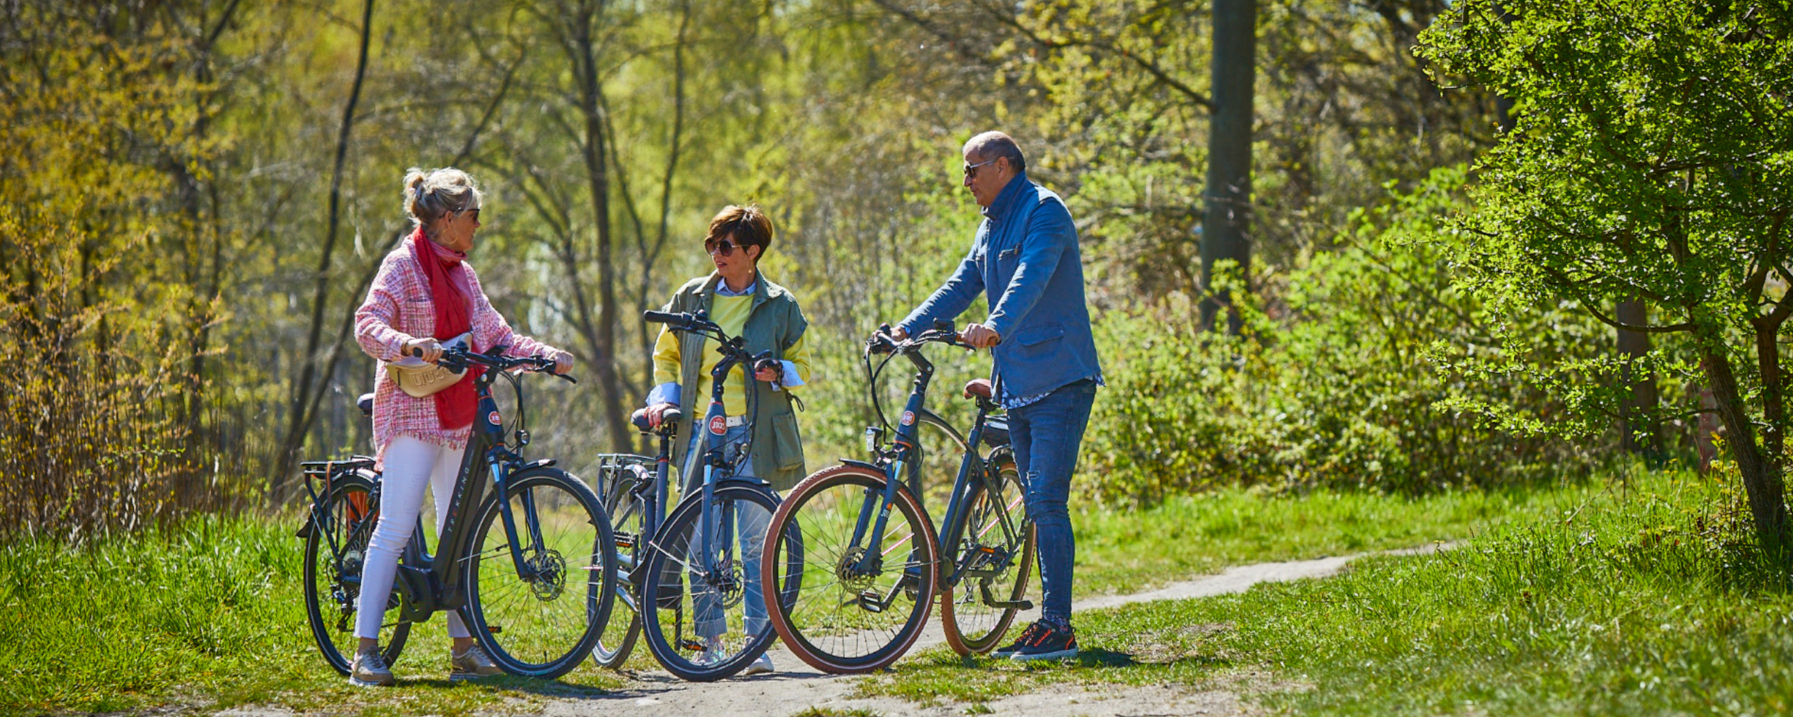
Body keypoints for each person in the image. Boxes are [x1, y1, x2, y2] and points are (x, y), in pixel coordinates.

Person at [348, 167, 574, 687]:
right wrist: (407, 344)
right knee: (397, 524)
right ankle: (365, 651)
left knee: (461, 533)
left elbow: (497, 335)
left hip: (459, 413)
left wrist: (544, 356)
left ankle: (464, 649)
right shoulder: (402, 265)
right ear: (449, 219)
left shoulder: (463, 274)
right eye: (474, 216)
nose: (479, 225)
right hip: (411, 409)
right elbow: (368, 324)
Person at [892, 131, 1102, 661]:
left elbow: (1029, 279)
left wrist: (994, 325)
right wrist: (905, 328)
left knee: (1047, 501)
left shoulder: (1043, 211)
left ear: (1004, 166)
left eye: (972, 169)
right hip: (1018, 383)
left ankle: (1057, 627)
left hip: (1059, 378)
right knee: (1034, 503)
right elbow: (960, 284)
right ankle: (1044, 625)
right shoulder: (989, 225)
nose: (965, 181)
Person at [642, 204, 812, 675]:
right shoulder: (691, 297)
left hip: (757, 433)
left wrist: (780, 371)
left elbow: (804, 365)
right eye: (711, 245)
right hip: (701, 432)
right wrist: (664, 400)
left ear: (752, 252)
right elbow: (667, 357)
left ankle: (756, 644)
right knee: (703, 542)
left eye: (725, 246)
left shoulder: (780, 304)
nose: (715, 254)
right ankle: (713, 643)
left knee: (759, 542)